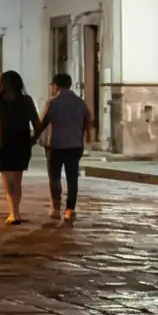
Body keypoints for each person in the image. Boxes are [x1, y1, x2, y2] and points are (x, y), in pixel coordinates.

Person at [0, 69, 39, 225]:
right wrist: (32, 140)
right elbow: (37, 125)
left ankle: (14, 212)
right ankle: (15, 211)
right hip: (19, 145)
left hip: (3, 145)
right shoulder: (25, 101)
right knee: (16, 180)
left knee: (9, 181)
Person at [41, 72, 92, 222]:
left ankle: (55, 208)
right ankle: (70, 209)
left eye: (52, 85)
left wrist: (32, 139)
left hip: (55, 145)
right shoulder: (79, 102)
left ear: (56, 85)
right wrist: (83, 135)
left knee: (54, 177)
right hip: (75, 145)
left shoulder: (52, 103)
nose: (51, 88)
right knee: (72, 178)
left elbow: (42, 123)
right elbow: (88, 119)